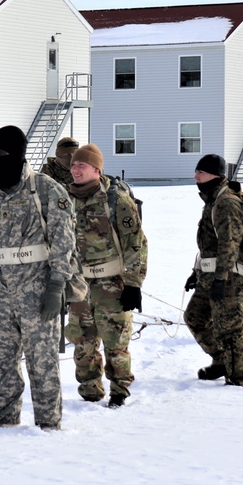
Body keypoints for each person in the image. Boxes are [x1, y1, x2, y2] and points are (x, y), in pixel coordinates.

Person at [0, 125, 76, 430]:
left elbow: (64, 241)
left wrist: (57, 285)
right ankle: (5, 425)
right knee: (0, 363)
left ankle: (48, 426)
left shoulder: (46, 189)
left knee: (43, 363)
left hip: (38, 288)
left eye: (1, 154)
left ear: (18, 154)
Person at [64, 144, 148, 408]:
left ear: (97, 170)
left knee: (116, 342)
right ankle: (89, 393)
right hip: (79, 285)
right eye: (74, 165)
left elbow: (136, 243)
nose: (75, 170)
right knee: (82, 341)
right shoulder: (63, 199)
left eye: (82, 165)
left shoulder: (116, 200)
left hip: (112, 285)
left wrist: (134, 284)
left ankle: (119, 390)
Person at [183, 153, 243, 388]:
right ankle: (222, 361)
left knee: (230, 329)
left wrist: (221, 279)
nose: (195, 177)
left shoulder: (226, 202)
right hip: (210, 275)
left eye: (200, 172)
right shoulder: (213, 200)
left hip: (228, 276)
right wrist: (197, 271)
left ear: (215, 175)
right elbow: (209, 244)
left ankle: (237, 378)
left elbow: (229, 243)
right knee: (195, 317)